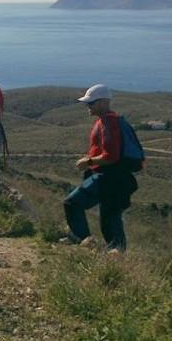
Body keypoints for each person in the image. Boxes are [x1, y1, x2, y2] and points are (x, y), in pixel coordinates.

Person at [61, 84, 138, 252]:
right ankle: (114, 256)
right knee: (110, 219)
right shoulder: (108, 121)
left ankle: (86, 244)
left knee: (73, 204)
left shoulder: (108, 123)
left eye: (91, 103)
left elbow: (111, 156)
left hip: (108, 177)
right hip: (116, 178)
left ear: (103, 102)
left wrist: (87, 162)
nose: (87, 106)